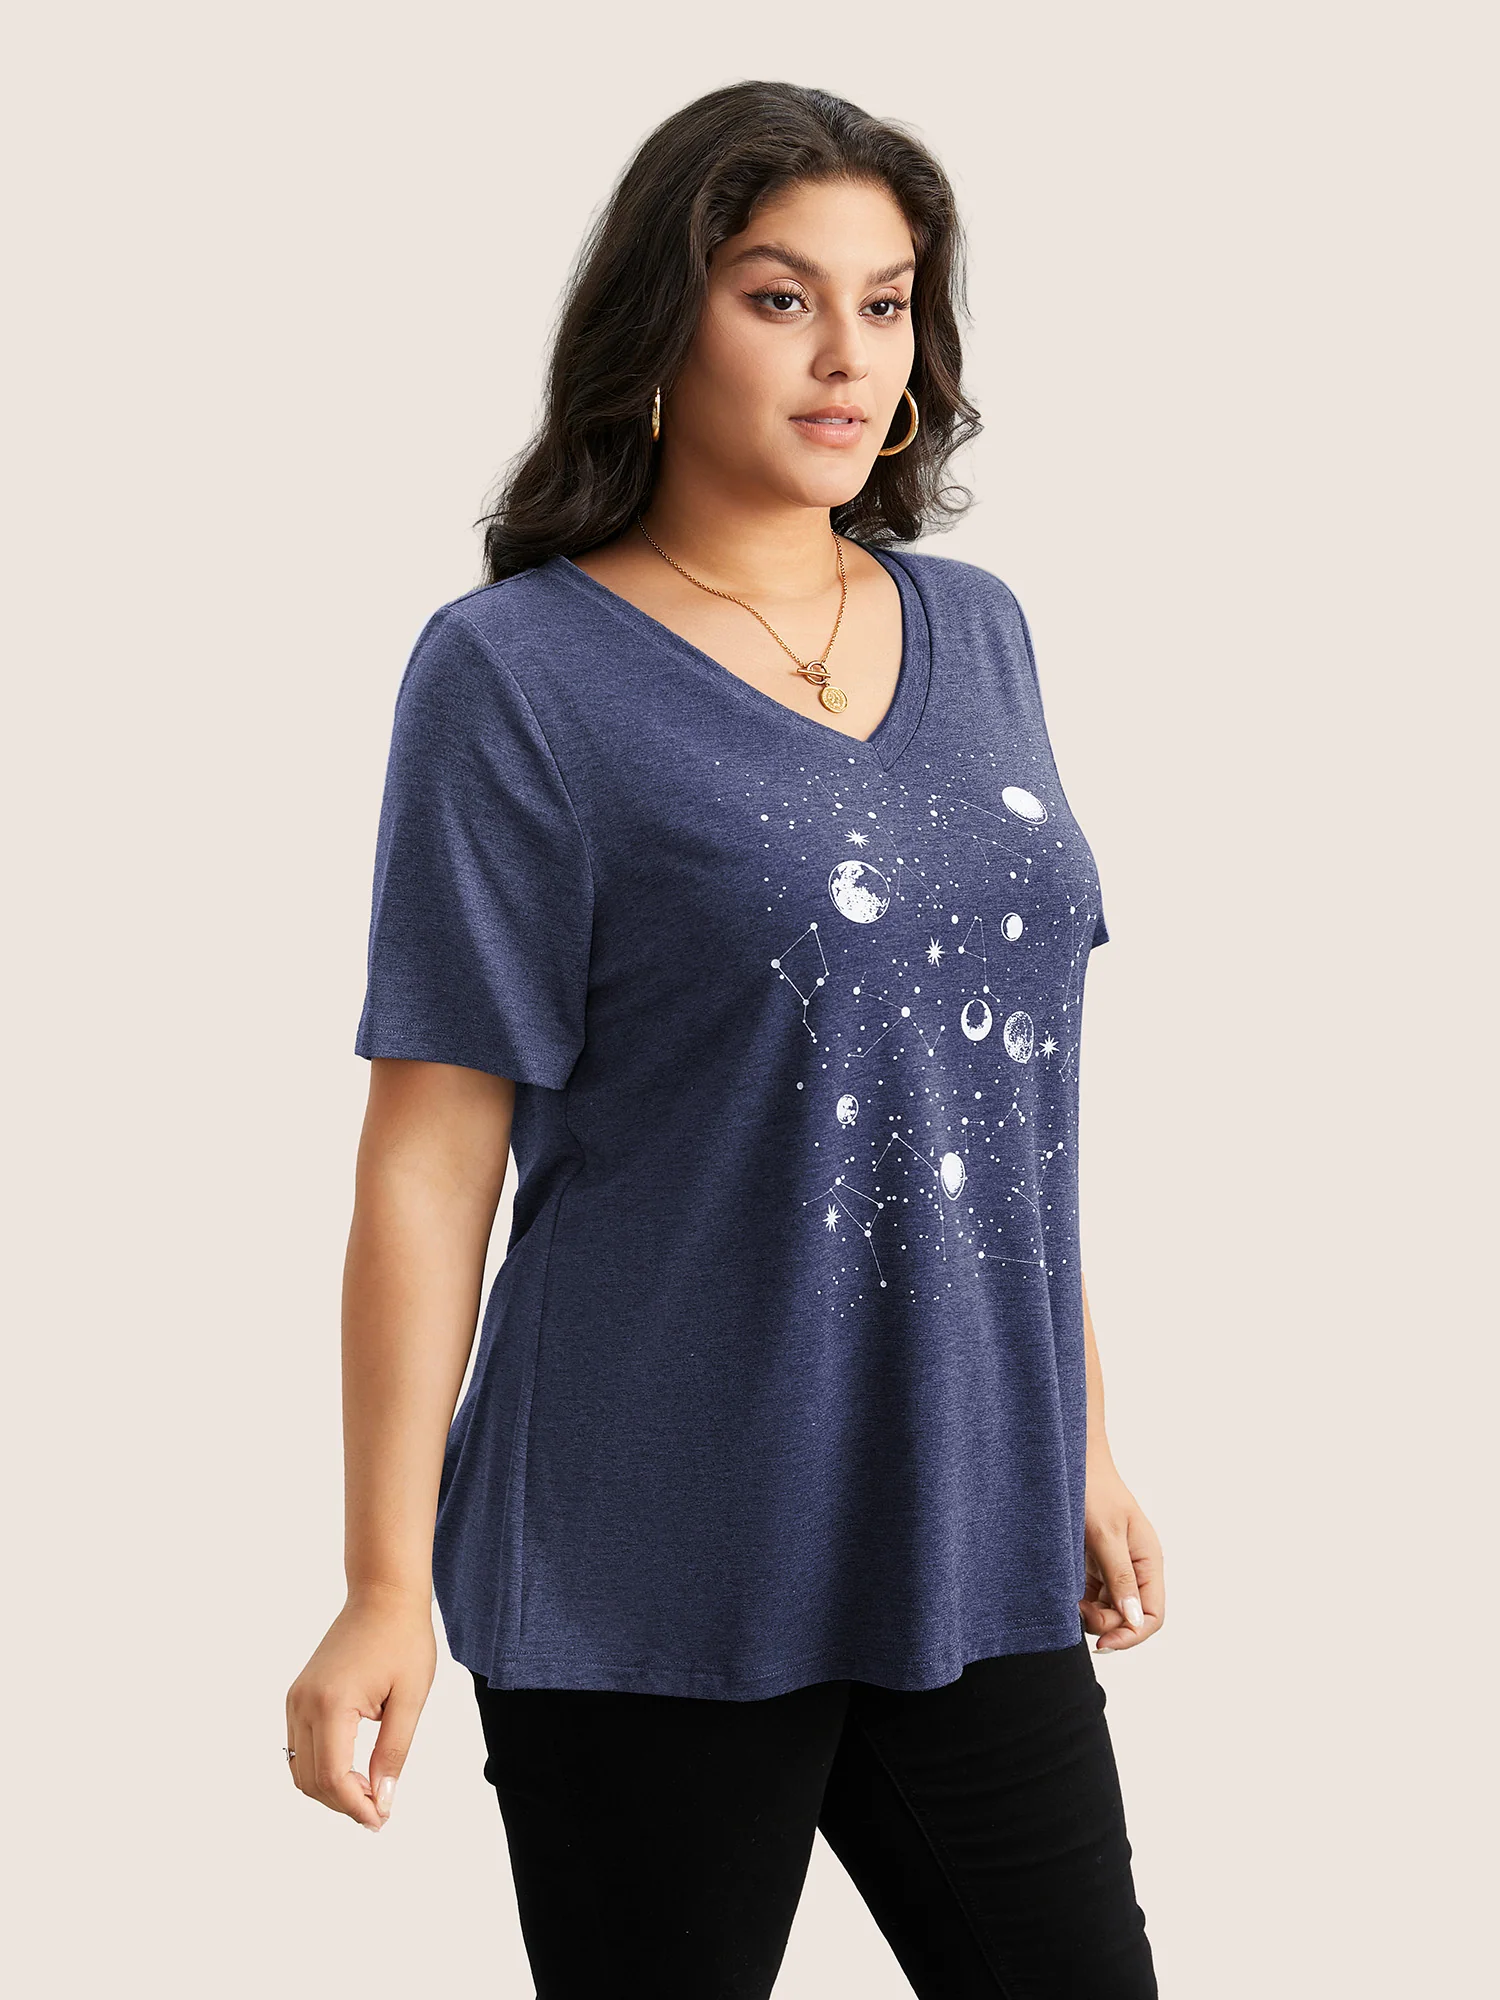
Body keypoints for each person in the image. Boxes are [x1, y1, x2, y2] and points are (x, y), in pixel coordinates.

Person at [285, 79, 1164, 1998]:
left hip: (970, 1524)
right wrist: (380, 1581)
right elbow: (430, 1156)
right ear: (662, 324)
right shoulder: (517, 674)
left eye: (888, 302)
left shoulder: (981, 631)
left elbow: (994, 1092)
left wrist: (1080, 1443)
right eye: (782, 298)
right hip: (650, 1551)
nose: (850, 356)